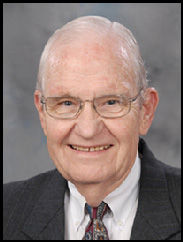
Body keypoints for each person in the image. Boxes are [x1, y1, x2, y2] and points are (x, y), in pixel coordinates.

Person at [3, 16, 181, 240]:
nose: (88, 130)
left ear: (146, 110)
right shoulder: (7, 212)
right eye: (66, 103)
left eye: (111, 102)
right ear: (42, 112)